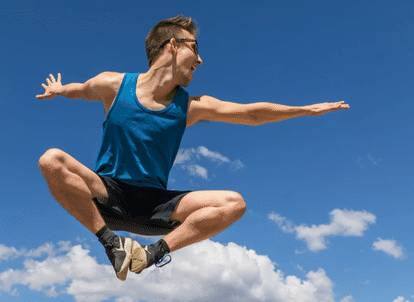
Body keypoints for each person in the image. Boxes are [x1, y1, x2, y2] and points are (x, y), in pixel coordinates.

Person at [37, 15, 348, 281]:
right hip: (107, 196)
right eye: (195, 49)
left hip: (155, 207)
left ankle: (151, 254)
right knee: (51, 160)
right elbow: (80, 90)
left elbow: (251, 113)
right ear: (173, 45)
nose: (200, 60)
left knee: (233, 203)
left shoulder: (191, 107)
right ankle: (111, 243)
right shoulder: (113, 85)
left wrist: (306, 110)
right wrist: (59, 89)